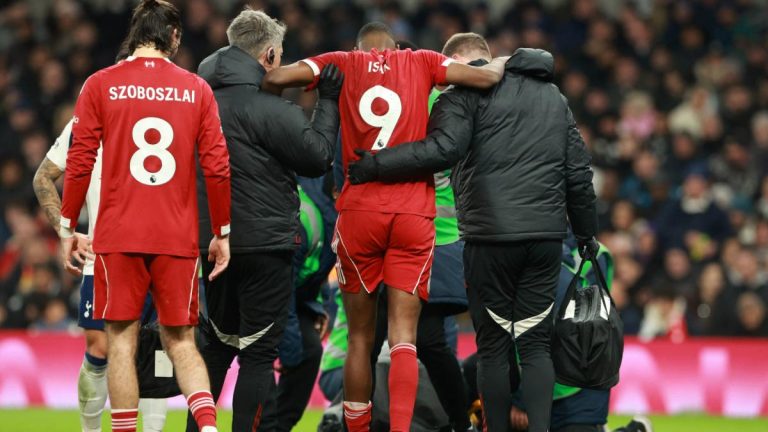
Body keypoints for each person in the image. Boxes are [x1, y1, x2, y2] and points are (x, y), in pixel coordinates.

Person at [264, 22, 507, 432]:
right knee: (405, 338)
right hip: (412, 215)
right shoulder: (421, 61)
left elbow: (275, 77)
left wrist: (297, 97)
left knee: (360, 338)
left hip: (359, 214)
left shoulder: (341, 62)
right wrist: (503, 62)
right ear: (394, 47)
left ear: (359, 48)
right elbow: (486, 76)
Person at [348, 48, 599, 432]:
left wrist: (376, 165)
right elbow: (579, 174)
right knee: (534, 345)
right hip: (545, 239)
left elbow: (441, 150)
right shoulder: (554, 98)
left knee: (494, 347)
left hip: (489, 239)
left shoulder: (462, 96)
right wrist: (585, 235)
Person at [59, 2, 231, 432]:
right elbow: (218, 165)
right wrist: (223, 232)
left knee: (120, 343)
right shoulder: (196, 89)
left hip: (118, 234)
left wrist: (67, 226)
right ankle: (208, 427)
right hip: (176, 235)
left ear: (135, 33)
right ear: (173, 36)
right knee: (182, 342)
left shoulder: (101, 84)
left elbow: (79, 161)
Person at [188, 9, 341, 432]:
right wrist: (328, 100)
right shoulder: (272, 110)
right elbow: (318, 157)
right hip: (267, 247)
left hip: (211, 247)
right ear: (270, 54)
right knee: (258, 355)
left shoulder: (198, 103)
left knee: (215, 351)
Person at [33, 52, 168, 429]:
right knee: (100, 348)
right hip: (104, 252)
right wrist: (67, 231)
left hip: (162, 250)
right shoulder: (88, 120)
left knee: (157, 351)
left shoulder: (170, 117)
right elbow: (43, 177)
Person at [262, 174, 338, 431]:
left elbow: (319, 265)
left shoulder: (325, 213)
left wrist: (323, 307)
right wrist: (289, 353)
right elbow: (282, 289)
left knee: (309, 350)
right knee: (260, 357)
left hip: (294, 294)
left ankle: (278, 427)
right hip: (263, 293)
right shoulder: (304, 219)